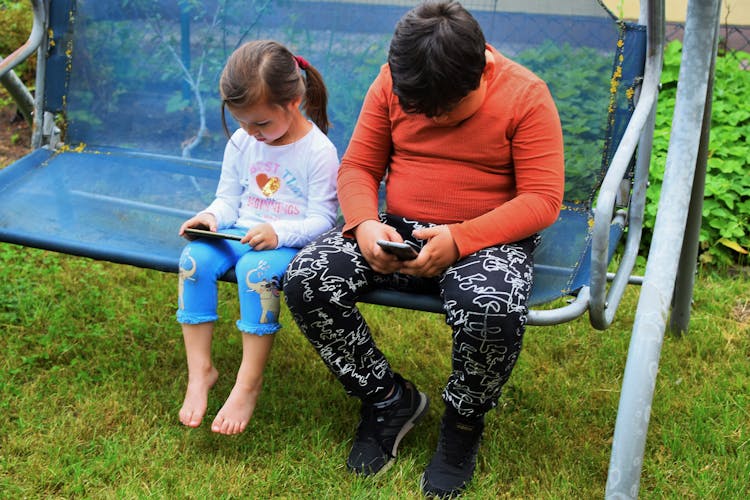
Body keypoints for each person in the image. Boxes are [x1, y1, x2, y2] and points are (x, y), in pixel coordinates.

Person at [283, 1, 564, 497]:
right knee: (308, 277)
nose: (433, 120)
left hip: (486, 238)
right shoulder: (392, 80)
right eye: (420, 112)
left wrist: (461, 239)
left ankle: (462, 424)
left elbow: (542, 199)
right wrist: (365, 224)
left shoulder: (526, 95)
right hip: (398, 229)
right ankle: (388, 399)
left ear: (481, 71)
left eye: (445, 112)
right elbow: (360, 169)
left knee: (491, 306)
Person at [176, 40, 339, 435]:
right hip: (239, 230)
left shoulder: (318, 151)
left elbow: (324, 220)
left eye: (261, 123)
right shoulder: (243, 141)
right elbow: (228, 198)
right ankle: (201, 373)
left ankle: (247, 384)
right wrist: (211, 217)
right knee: (192, 261)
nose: (252, 133)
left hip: (283, 242)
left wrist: (278, 232)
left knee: (256, 271)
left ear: (293, 102)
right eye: (242, 122)